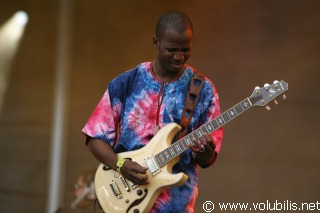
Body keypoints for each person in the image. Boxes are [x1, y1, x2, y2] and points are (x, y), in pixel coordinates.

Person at [82, 10, 223, 213]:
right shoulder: (125, 83)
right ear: (156, 42)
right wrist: (121, 165)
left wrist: (206, 152)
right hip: (124, 202)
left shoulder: (205, 91)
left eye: (186, 49)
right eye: (172, 49)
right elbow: (95, 138)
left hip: (176, 206)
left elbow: (206, 159)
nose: (179, 56)